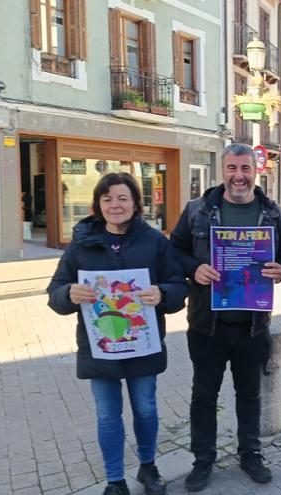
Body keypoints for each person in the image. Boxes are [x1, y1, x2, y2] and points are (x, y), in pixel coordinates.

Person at [47, 172, 188, 495]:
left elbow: (179, 284)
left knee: (146, 408)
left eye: (123, 198)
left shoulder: (154, 241)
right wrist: (69, 293)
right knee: (108, 415)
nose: (115, 205)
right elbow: (54, 292)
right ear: (98, 204)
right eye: (107, 198)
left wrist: (162, 294)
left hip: (143, 345)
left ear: (136, 203)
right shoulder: (82, 243)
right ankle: (114, 479)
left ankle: (148, 467)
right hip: (100, 349)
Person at [169, 143, 281, 491]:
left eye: (245, 169)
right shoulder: (197, 211)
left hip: (252, 325)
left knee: (249, 393)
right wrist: (194, 269)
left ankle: (250, 453)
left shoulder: (273, 213)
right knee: (204, 395)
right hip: (207, 324)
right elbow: (174, 250)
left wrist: (280, 269)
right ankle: (203, 459)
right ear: (222, 171)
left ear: (256, 171)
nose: (239, 176)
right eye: (232, 168)